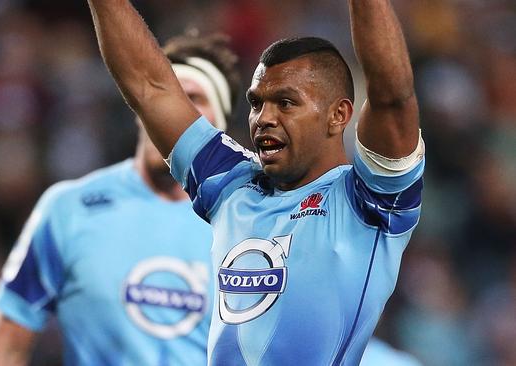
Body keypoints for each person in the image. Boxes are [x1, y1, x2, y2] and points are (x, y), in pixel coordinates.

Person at [86, 0, 424, 364]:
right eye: (256, 103)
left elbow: (393, 96)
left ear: (338, 115)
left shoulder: (368, 201)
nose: (263, 118)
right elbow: (150, 87)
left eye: (285, 102)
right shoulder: (230, 185)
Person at [0, 32, 241, 366]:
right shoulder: (68, 209)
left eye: (193, 100)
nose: (172, 113)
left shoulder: (250, 223)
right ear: (138, 106)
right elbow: (6, 347)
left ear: (220, 129)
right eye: (163, 97)